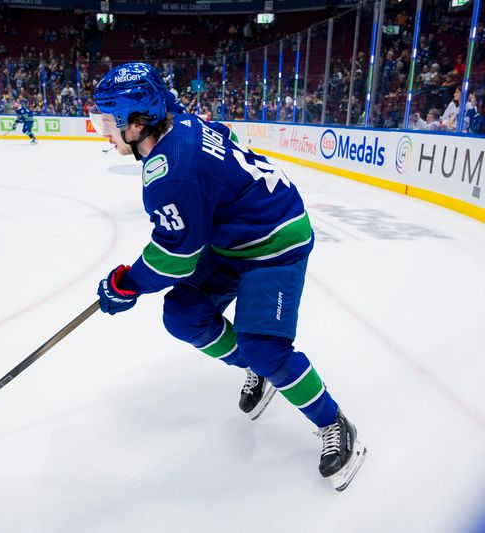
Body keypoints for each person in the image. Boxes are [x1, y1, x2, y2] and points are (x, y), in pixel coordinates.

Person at [91, 62, 366, 491]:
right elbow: (227, 137)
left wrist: (126, 282)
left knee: (264, 347)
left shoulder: (171, 170)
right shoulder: (179, 123)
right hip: (231, 240)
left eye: (108, 120)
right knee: (183, 315)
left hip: (276, 241)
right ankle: (261, 370)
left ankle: (334, 423)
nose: (102, 131)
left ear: (137, 119)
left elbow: (175, 258)